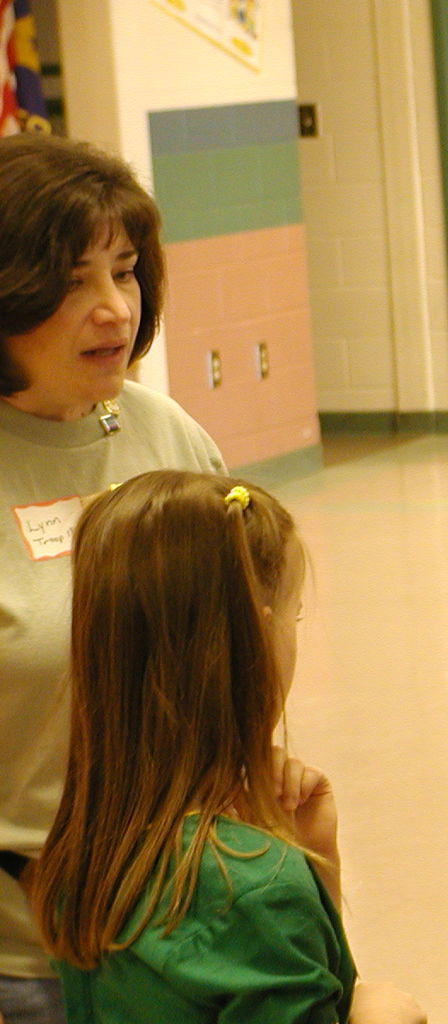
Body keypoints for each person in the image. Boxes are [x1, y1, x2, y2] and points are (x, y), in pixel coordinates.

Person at [26, 471, 424, 1024]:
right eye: (295, 615)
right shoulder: (255, 888)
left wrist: (318, 864)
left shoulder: (83, 855)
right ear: (258, 640)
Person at [0, 132, 225, 1024]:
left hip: (182, 926)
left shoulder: (165, 434)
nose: (112, 310)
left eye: (125, 273)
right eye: (72, 281)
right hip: (25, 955)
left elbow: (240, 645)